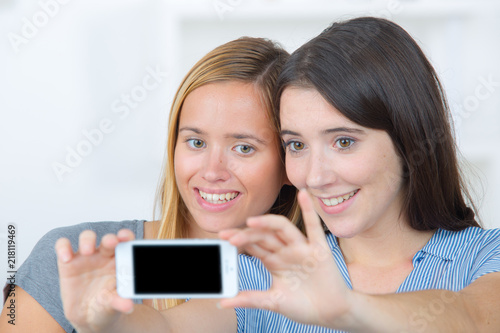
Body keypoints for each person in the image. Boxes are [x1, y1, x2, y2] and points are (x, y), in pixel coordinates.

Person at [218, 17, 500, 332]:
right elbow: (165, 323)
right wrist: (151, 235)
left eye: (344, 142)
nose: (315, 177)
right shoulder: (262, 274)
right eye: (296, 145)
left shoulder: (486, 255)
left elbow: (475, 317)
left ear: (408, 138)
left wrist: (347, 307)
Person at [0, 36, 299, 332]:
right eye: (196, 142)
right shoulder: (73, 259)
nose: (211, 171)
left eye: (243, 148)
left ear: (290, 162)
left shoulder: (308, 283)